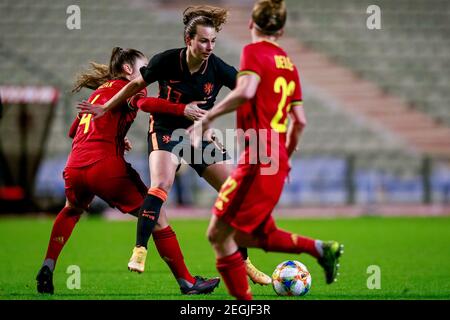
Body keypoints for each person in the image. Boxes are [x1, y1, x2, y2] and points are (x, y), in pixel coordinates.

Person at [78, 5, 272, 286]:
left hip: (197, 137)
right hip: (166, 129)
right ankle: (140, 250)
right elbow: (134, 89)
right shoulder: (166, 61)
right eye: (203, 40)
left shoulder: (218, 68)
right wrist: (106, 107)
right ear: (188, 40)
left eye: (213, 41)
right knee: (162, 184)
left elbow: (249, 93)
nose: (209, 46)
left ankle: (243, 262)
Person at [189, 0, 344, 300]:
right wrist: (285, 156)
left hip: (258, 155)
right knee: (250, 235)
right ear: (282, 30)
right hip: (275, 157)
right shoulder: (289, 64)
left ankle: (245, 304)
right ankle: (321, 249)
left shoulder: (253, 52)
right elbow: (299, 121)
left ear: (251, 24)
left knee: (219, 235)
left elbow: (246, 91)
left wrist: (209, 116)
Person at [36, 47, 220, 295]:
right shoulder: (133, 88)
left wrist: (116, 136)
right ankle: (187, 282)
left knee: (71, 210)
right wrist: (181, 109)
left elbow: (74, 131)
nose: (147, 73)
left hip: (75, 167)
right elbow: (144, 104)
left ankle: (48, 264)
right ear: (127, 69)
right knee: (157, 217)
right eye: (143, 68)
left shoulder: (97, 94)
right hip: (105, 168)